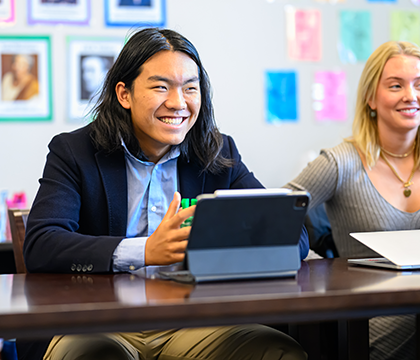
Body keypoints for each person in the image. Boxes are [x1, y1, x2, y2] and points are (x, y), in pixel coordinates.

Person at [20, 28, 309, 360]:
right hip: (97, 320)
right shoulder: (74, 151)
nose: (178, 103)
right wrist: (146, 251)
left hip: (191, 322)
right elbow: (42, 243)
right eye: (160, 87)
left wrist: (222, 245)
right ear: (124, 94)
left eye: (190, 88)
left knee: (278, 351)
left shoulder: (216, 153)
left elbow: (294, 238)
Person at [285, 40, 420, 360]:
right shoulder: (340, 163)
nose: (411, 96)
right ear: (370, 97)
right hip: (374, 322)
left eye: (418, 85)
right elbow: (271, 214)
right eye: (396, 85)